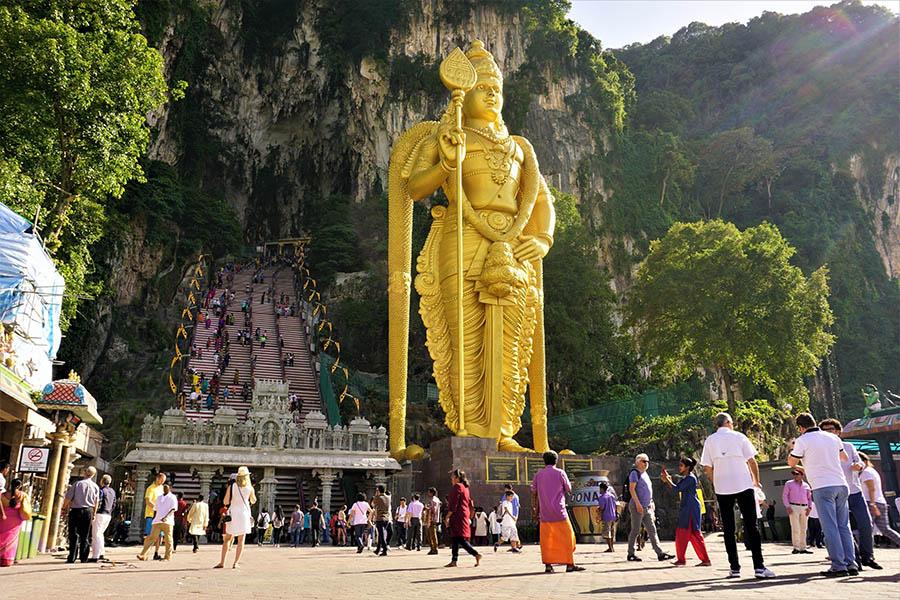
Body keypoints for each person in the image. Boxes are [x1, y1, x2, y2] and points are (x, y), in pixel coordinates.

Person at [700, 412, 774, 579]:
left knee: (728, 528)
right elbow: (752, 461)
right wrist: (756, 481)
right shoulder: (739, 437)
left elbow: (707, 468)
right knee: (751, 525)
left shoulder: (710, 441)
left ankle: (734, 568)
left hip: (722, 488)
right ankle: (759, 567)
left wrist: (715, 482)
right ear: (728, 422)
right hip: (743, 484)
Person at [788, 412, 856, 577]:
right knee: (843, 526)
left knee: (830, 527)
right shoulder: (832, 437)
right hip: (841, 484)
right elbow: (844, 457)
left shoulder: (802, 440)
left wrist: (793, 451)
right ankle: (851, 563)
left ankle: (838, 566)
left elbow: (792, 463)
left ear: (801, 428)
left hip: (822, 486)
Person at [819, 418, 881, 570]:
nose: (829, 432)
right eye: (825, 430)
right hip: (838, 493)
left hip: (855, 491)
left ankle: (868, 556)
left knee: (866, 524)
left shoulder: (848, 446)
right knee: (842, 527)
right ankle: (855, 560)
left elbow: (860, 463)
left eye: (831, 429)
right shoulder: (822, 450)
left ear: (839, 432)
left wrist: (857, 466)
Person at [531, 450, 584, 573]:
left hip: (544, 513)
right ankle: (569, 564)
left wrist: (534, 509)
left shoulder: (538, 475)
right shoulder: (560, 473)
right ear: (556, 460)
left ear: (544, 461)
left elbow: (533, 492)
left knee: (547, 540)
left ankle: (548, 565)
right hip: (560, 512)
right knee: (568, 537)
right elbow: (569, 489)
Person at [661, 457, 711, 567]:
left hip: (690, 508)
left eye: (681, 465)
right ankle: (696, 559)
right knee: (689, 534)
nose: (679, 467)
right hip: (688, 507)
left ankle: (686, 560)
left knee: (689, 534)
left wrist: (667, 479)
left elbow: (676, 489)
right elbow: (677, 488)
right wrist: (668, 479)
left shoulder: (690, 478)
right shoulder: (687, 478)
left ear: (687, 467)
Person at [625, 454, 673, 563]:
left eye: (647, 461)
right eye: (644, 461)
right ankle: (630, 553)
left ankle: (660, 553)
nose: (646, 463)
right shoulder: (635, 473)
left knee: (652, 530)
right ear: (638, 462)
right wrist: (638, 504)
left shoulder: (645, 473)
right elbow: (632, 489)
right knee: (635, 530)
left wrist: (651, 503)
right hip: (638, 506)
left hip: (647, 506)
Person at [215, 467, 256, 568]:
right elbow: (254, 500)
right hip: (244, 514)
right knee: (241, 540)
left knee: (227, 539)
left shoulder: (232, 486)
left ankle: (222, 562)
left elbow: (225, 502)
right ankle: (235, 562)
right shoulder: (250, 488)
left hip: (233, 513)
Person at [859, 452, 900, 548]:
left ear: (864, 461)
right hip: (881, 502)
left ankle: (866, 552)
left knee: (866, 529)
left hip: (871, 502)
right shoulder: (872, 471)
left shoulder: (866, 473)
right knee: (885, 529)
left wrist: (873, 504)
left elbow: (871, 489)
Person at [62, 466, 100, 564]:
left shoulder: (77, 484)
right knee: (85, 535)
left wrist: (64, 507)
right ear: (93, 475)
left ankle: (72, 557)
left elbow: (68, 497)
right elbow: (96, 502)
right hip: (88, 511)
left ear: (85, 473)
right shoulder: (95, 486)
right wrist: (94, 513)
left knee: (73, 534)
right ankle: (84, 557)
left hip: (76, 510)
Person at [444, 468, 482, 567]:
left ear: (457, 478)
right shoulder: (465, 488)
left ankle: (476, 554)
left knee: (460, 538)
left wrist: (448, 516)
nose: (451, 479)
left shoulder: (457, 486)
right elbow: (470, 503)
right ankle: (454, 560)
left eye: (452, 477)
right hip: (463, 514)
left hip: (457, 515)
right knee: (455, 538)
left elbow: (454, 504)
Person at [137, 483, 177, 561]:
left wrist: (166, 517)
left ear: (170, 489)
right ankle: (143, 555)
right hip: (157, 520)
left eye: (166, 488)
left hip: (168, 521)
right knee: (151, 538)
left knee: (168, 539)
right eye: (164, 488)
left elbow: (173, 509)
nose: (165, 489)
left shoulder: (172, 497)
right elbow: (155, 509)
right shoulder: (159, 497)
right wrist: (155, 518)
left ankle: (167, 557)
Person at [0, 478, 32, 567]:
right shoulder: (23, 495)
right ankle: (7, 559)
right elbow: (27, 508)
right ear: (20, 486)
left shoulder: (3, 495)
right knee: (12, 538)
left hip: (3, 519)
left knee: (1, 536)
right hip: (16, 520)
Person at [782, 469, 813, 554]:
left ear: (802, 475)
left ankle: (803, 547)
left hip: (804, 507)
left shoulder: (806, 485)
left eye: (797, 474)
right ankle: (796, 547)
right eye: (794, 474)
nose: (795, 476)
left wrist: (809, 507)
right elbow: (785, 495)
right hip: (793, 506)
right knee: (795, 527)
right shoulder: (789, 484)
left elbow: (809, 498)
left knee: (804, 528)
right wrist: (788, 506)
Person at [89, 474, 116, 562]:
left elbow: (98, 502)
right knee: (100, 534)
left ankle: (95, 555)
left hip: (100, 513)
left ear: (102, 481)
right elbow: (114, 504)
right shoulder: (112, 491)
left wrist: (94, 512)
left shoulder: (101, 491)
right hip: (108, 514)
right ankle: (101, 553)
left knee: (96, 534)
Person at [499, 483, 522, 551]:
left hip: (510, 517)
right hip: (515, 515)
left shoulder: (506, 496)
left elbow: (504, 506)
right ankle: (516, 545)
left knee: (512, 531)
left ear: (506, 488)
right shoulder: (516, 496)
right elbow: (518, 506)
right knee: (513, 530)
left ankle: (516, 545)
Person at [597, 481, 617, 553]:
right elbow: (615, 505)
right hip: (613, 516)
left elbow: (602, 508)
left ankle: (610, 548)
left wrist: (599, 516)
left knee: (607, 532)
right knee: (612, 532)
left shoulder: (602, 497)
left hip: (606, 516)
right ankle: (612, 547)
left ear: (602, 489)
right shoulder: (612, 496)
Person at [372, 486, 392, 556]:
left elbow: (373, 505)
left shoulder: (377, 498)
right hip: (387, 518)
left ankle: (384, 549)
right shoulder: (388, 497)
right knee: (381, 534)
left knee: (381, 534)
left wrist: (376, 494)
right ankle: (378, 549)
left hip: (379, 518)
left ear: (378, 490)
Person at [424, 487, 441, 555]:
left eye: (429, 492)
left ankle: (434, 548)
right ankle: (433, 547)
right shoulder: (437, 499)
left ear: (431, 493)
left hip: (431, 518)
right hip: (434, 518)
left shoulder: (433, 500)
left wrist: (426, 508)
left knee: (432, 534)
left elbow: (433, 510)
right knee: (431, 533)